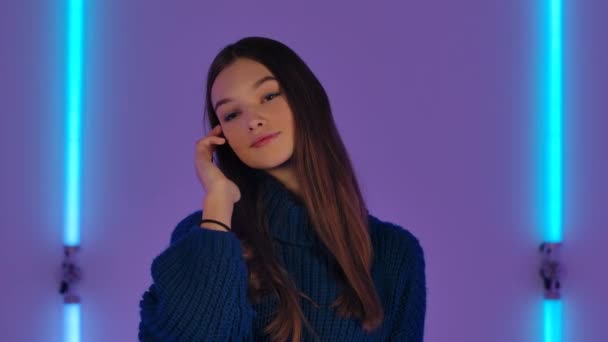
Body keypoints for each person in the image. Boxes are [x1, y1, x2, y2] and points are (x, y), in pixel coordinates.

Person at [138, 36, 426, 341]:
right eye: (232, 115)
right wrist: (219, 201)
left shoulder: (393, 253)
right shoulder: (208, 236)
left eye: (269, 96)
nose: (252, 121)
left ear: (306, 98)